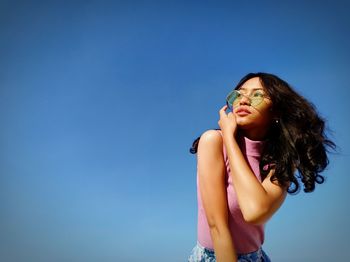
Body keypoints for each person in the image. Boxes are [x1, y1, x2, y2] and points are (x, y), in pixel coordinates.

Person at [187, 72, 335, 262]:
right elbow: (217, 227)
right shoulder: (213, 141)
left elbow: (255, 211)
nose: (244, 100)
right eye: (239, 94)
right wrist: (227, 137)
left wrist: (231, 140)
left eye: (257, 95)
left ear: (276, 111)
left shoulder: (282, 159)